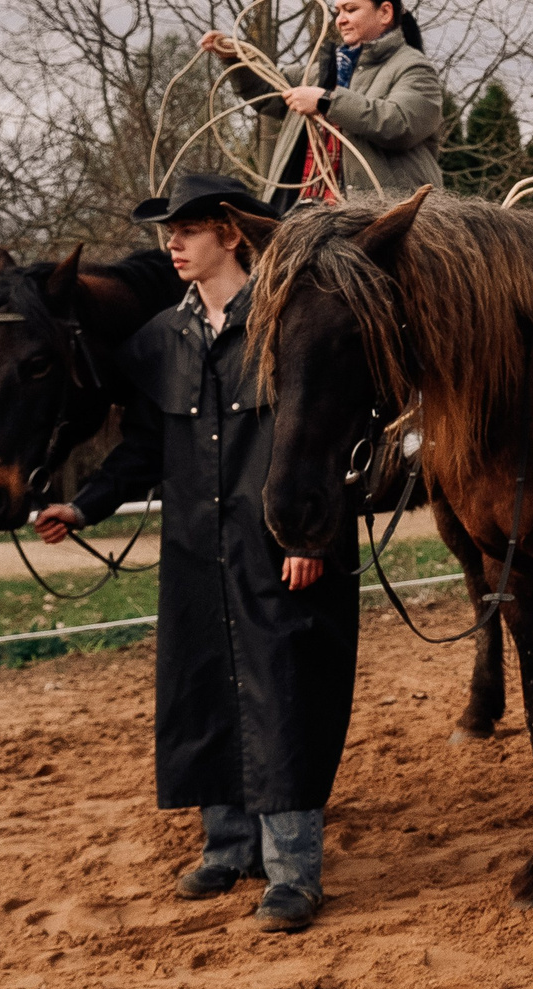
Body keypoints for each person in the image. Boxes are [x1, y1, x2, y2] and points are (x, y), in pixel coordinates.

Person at [31, 174, 359, 935]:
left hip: (281, 545)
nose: (172, 244)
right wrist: (83, 504)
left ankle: (292, 873)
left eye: (187, 229)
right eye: (167, 232)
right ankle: (228, 846)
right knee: (206, 688)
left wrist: (312, 535)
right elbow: (144, 446)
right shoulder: (160, 341)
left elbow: (331, 438)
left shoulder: (289, 324)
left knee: (285, 697)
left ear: (231, 233)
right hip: (195, 551)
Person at [199, 0, 447, 207]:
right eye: (338, 11)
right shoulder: (321, 71)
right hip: (310, 210)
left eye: (351, 10)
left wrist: (326, 102)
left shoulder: (414, 68)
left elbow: (399, 124)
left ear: (385, 12)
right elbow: (267, 93)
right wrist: (234, 59)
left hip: (384, 220)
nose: (341, 20)